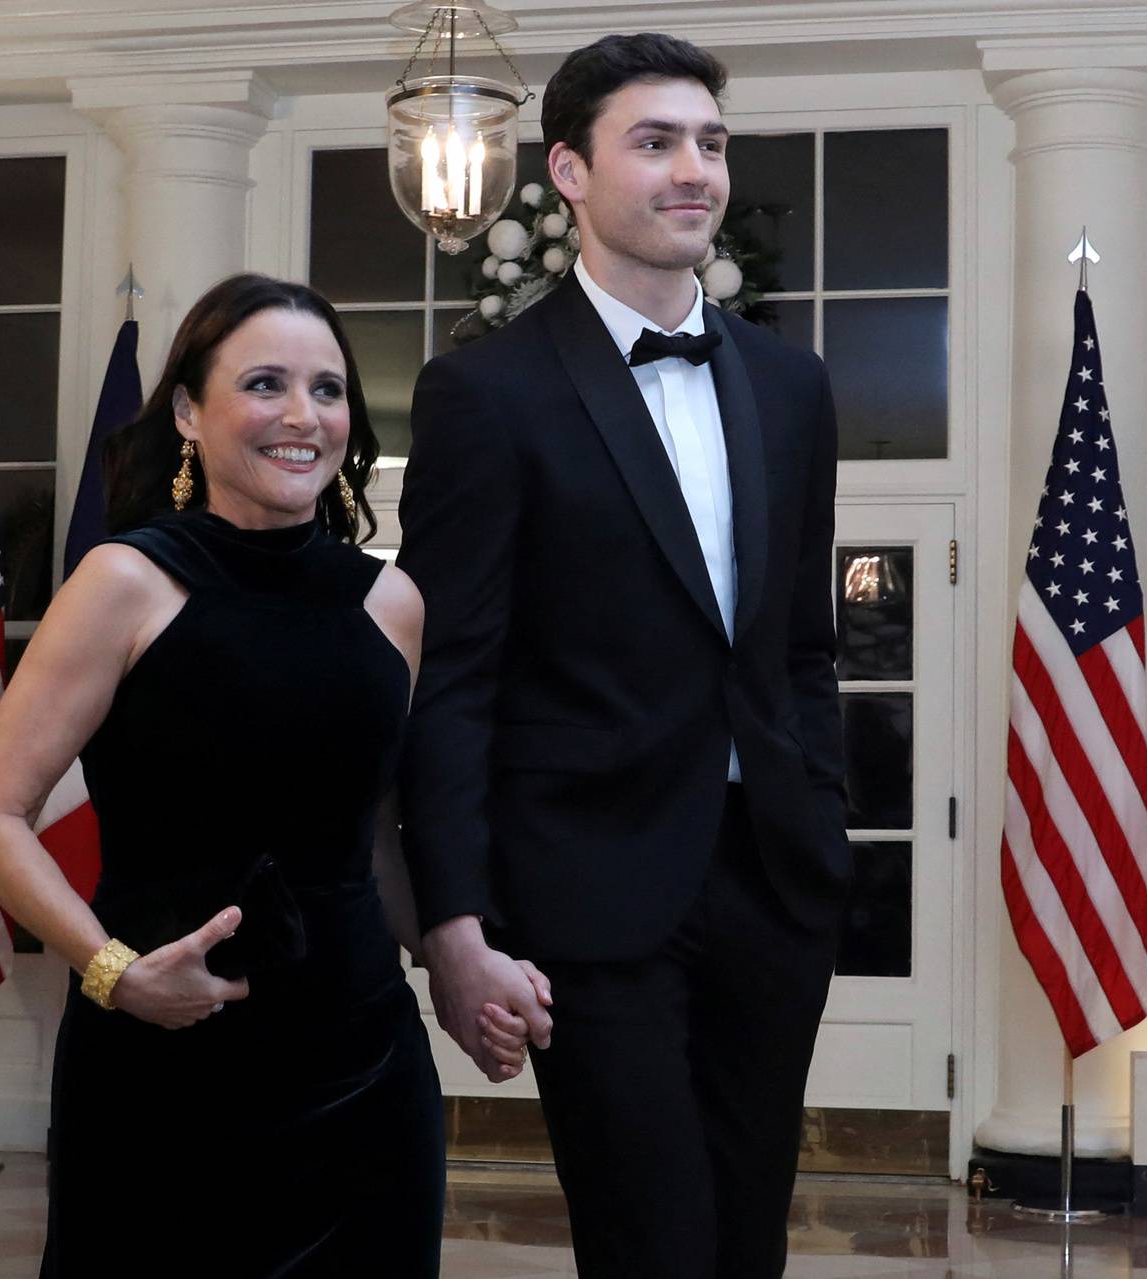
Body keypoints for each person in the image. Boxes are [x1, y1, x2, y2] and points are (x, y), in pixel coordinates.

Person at [0, 273, 540, 1277]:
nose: (303, 415)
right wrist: (115, 974)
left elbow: (374, 835)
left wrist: (460, 956)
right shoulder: (126, 581)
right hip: (163, 1053)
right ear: (189, 409)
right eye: (266, 383)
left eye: (327, 388)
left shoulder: (391, 602)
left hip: (361, 1059)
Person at [397, 33, 850, 1278]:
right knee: (649, 1240)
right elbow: (453, 680)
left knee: (747, 1237)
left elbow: (801, 648)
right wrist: (454, 918)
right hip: (586, 894)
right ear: (570, 172)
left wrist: (823, 826)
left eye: (708, 142)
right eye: (655, 142)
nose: (693, 169)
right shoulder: (485, 394)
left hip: (771, 889)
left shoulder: (791, 382)